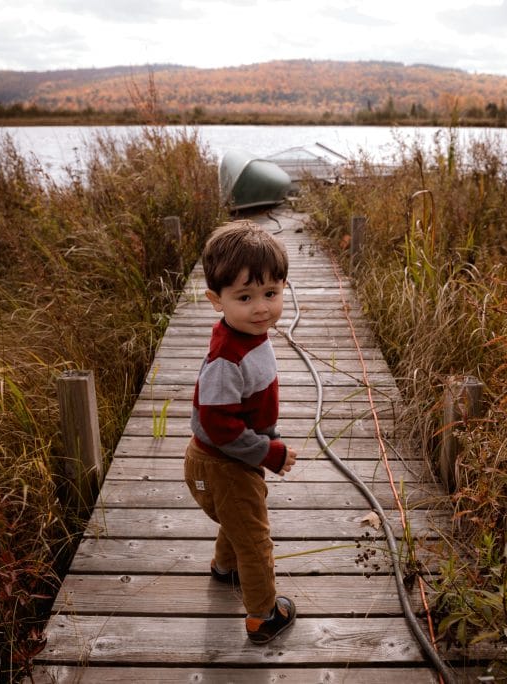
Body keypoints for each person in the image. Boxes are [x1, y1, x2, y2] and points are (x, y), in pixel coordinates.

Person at [184, 220, 298, 645]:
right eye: (245, 297)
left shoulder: (251, 334)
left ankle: (223, 567)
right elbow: (219, 426)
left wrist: (264, 438)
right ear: (216, 300)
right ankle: (263, 616)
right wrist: (269, 451)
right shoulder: (225, 360)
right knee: (255, 540)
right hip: (222, 464)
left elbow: (243, 411)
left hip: (228, 459)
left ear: (284, 287)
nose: (261, 308)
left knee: (239, 520)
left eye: (271, 294)